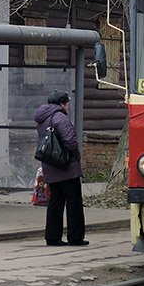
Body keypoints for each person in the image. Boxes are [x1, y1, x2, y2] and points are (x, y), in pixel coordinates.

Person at [34, 90, 87, 247]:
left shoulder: (42, 118)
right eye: (67, 103)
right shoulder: (60, 118)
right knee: (74, 201)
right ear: (62, 104)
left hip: (51, 164)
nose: (68, 106)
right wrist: (76, 156)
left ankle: (52, 236)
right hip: (66, 166)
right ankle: (75, 237)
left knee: (56, 201)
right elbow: (70, 141)